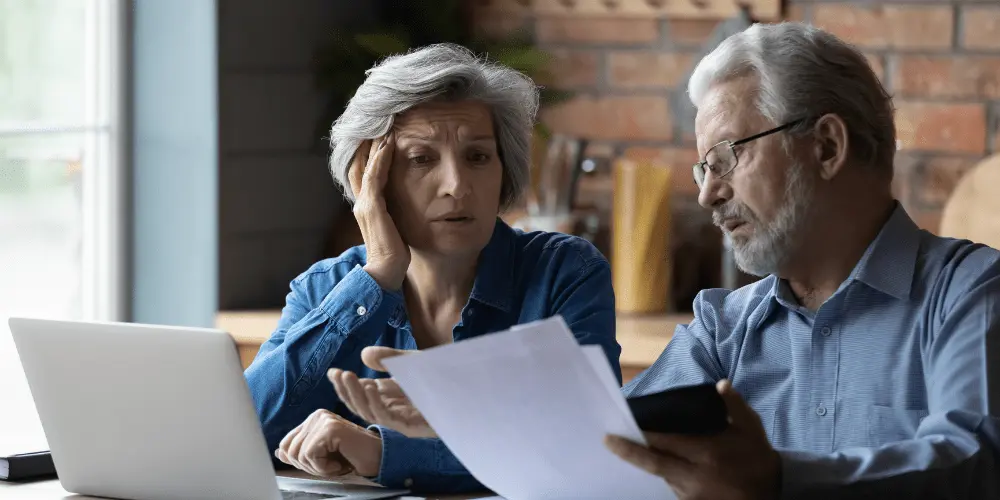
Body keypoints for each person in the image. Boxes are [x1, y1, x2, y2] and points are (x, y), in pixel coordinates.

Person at [331, 22, 1000, 499]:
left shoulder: (970, 293)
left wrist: (774, 482)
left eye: (726, 158)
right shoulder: (724, 326)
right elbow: (609, 445)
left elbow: (974, 462)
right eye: (701, 167)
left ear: (825, 146)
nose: (706, 191)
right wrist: (471, 417)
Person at [242, 43, 621, 494]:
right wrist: (378, 274)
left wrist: (383, 453)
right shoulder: (327, 288)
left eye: (478, 157)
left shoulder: (565, 272)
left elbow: (590, 444)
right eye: (421, 159)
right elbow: (238, 433)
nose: (457, 186)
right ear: (369, 180)